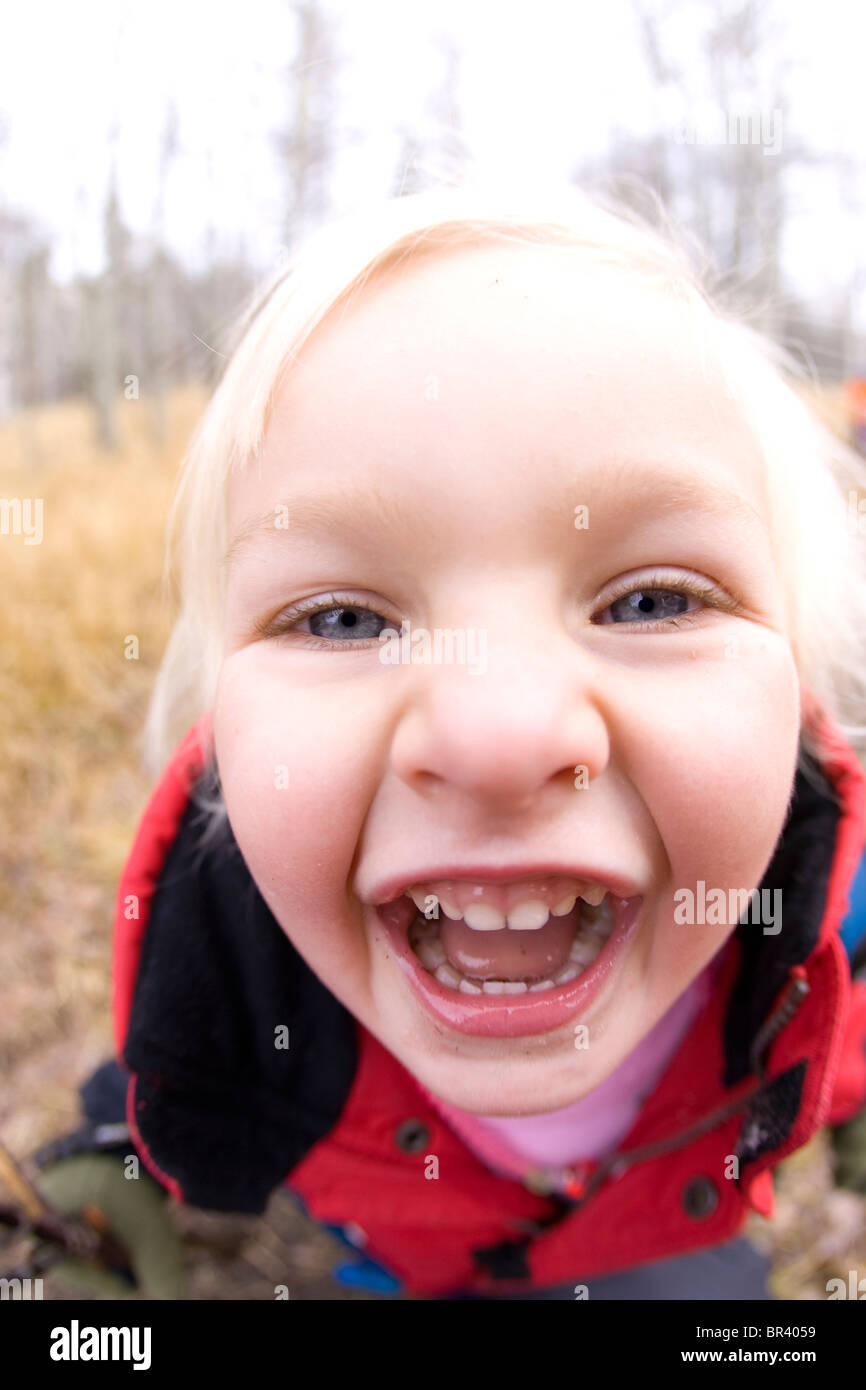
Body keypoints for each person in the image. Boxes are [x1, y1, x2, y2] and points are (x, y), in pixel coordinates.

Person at [32, 182, 866, 1300]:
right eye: (342, 619)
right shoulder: (227, 921)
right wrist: (107, 1167)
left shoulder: (825, 906)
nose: (496, 733)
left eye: (651, 602)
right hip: (399, 1247)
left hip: (651, 1229)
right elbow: (178, 1049)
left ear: (799, 700)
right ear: (220, 738)